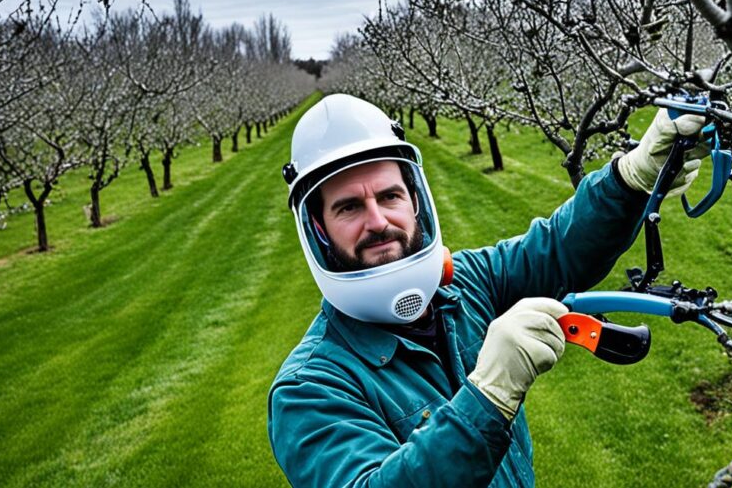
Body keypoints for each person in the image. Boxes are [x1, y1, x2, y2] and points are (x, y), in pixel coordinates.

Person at [268, 93, 705, 487]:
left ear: (415, 201)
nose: (378, 220)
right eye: (349, 207)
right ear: (319, 230)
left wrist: (632, 177)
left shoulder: (464, 283)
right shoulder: (310, 389)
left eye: (389, 196)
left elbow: (556, 250)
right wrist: (488, 399)